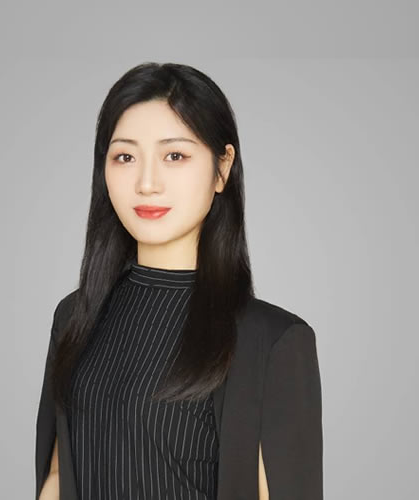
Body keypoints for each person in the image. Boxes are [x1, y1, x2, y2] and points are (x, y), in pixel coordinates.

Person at [35, 62, 323, 500]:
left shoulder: (272, 342)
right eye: (125, 157)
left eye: (175, 156)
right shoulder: (75, 317)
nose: (147, 183)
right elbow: (59, 478)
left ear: (222, 168)